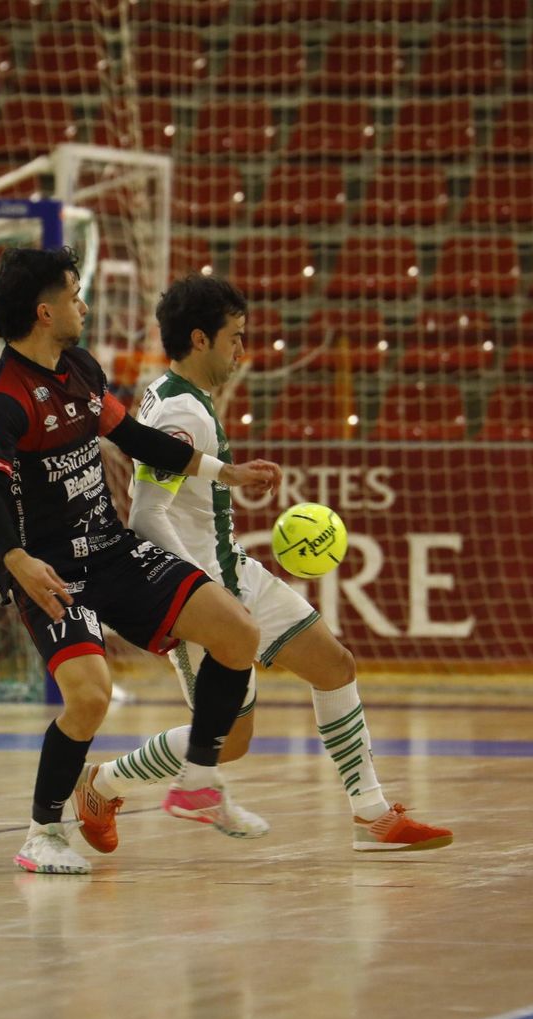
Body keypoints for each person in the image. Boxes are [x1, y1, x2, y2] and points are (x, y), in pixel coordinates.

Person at [71, 275, 454, 854]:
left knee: (335, 666)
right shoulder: (181, 411)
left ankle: (371, 815)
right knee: (228, 741)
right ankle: (101, 785)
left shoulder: (180, 397)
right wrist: (194, 595)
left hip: (237, 571)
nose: (242, 351)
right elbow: (147, 516)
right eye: (234, 338)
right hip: (203, 596)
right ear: (200, 340)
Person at [0, 247, 282, 876]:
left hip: (110, 549)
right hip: (50, 570)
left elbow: (135, 439)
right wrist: (16, 560)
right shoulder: (0, 399)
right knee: (89, 697)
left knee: (238, 632)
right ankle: (42, 833)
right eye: (75, 294)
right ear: (44, 310)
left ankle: (196, 780)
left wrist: (228, 473)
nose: (84, 305)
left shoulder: (79, 368)